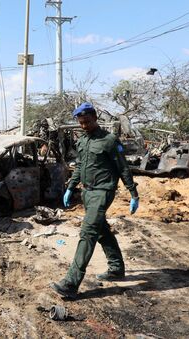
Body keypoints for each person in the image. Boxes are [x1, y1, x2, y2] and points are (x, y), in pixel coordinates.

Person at [49, 102, 140, 298]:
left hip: (103, 191)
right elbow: (80, 166)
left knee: (88, 232)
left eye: (87, 122)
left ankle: (71, 283)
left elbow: (123, 167)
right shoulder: (82, 141)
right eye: (81, 123)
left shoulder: (109, 140)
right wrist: (71, 187)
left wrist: (133, 193)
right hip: (87, 192)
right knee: (100, 230)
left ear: (95, 118)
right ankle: (116, 268)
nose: (84, 126)